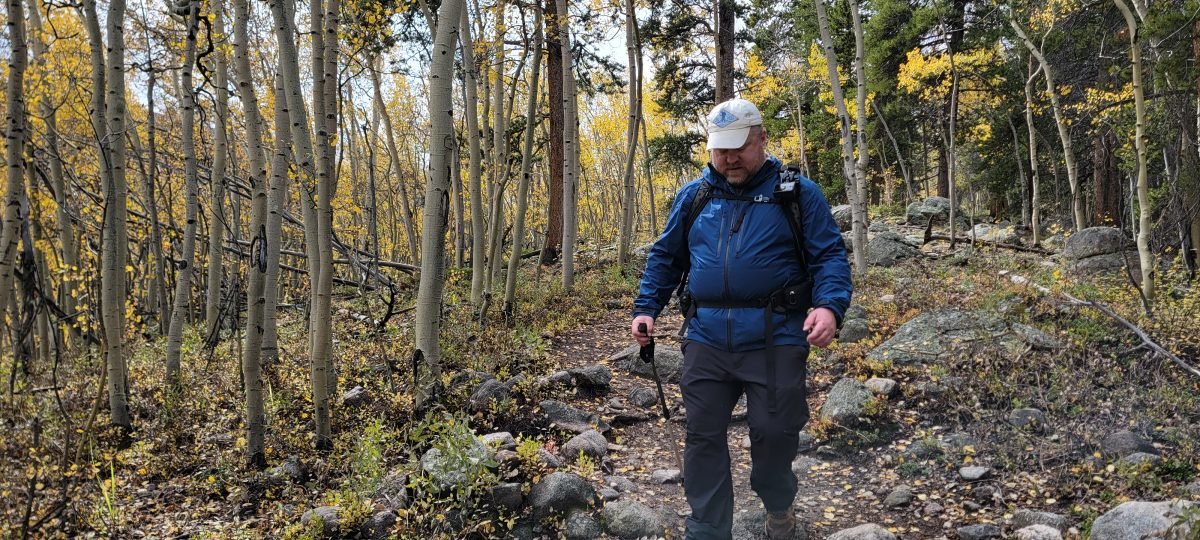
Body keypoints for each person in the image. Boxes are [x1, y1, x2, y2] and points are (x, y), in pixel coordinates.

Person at [630, 98, 852, 540]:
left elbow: (829, 256)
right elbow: (665, 257)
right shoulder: (694, 196)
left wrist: (829, 306)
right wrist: (646, 308)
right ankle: (708, 529)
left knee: (774, 436)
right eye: (720, 149)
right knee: (702, 437)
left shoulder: (798, 195)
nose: (729, 158)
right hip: (707, 338)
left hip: (777, 338)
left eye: (738, 147)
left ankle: (777, 503)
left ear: (762, 139)